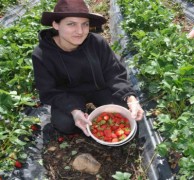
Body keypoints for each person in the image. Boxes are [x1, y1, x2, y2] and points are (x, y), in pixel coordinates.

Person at [32, 0, 144, 136]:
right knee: (64, 123)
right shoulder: (42, 54)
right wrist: (74, 110)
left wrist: (131, 99)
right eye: (71, 24)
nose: (80, 31)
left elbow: (114, 73)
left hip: (99, 88)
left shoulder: (97, 43)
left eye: (85, 24)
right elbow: (49, 91)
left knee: (125, 112)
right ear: (56, 24)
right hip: (68, 94)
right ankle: (80, 114)